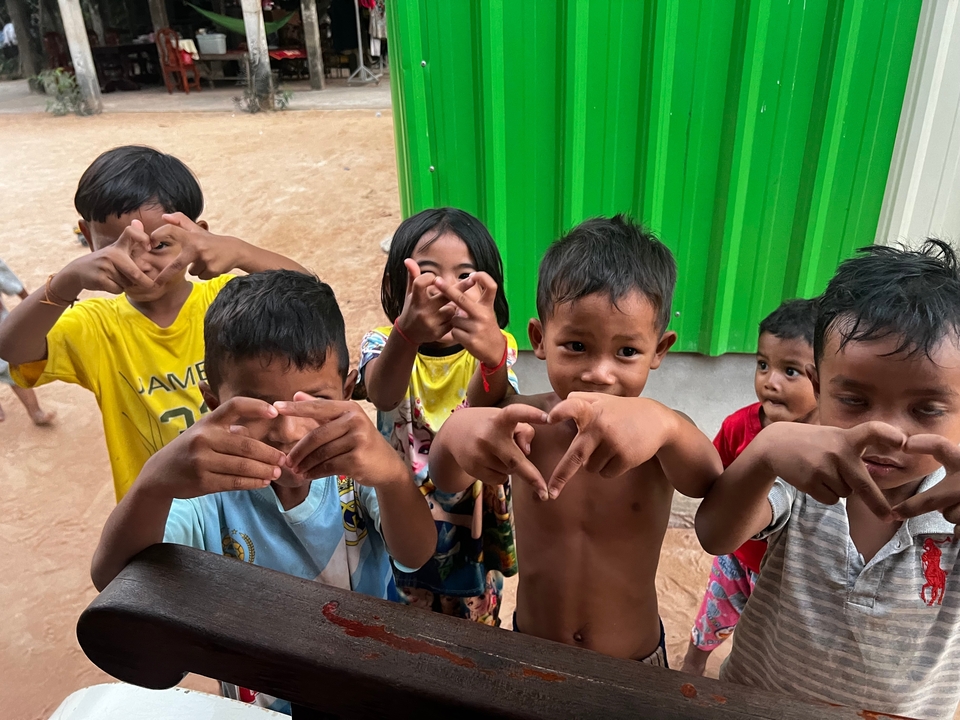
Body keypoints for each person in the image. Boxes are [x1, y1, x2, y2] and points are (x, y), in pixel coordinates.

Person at [91, 270, 437, 714]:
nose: (288, 430)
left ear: (348, 392)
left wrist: (393, 477)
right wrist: (153, 482)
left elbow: (415, 554)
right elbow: (114, 579)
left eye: (311, 403)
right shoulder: (204, 494)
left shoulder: (359, 470)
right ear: (214, 404)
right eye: (260, 409)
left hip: (368, 685)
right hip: (261, 702)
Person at [429, 215, 722, 664]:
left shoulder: (660, 432)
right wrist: (454, 431)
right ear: (540, 339)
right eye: (576, 346)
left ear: (659, 351)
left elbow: (709, 483)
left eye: (627, 351)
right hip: (532, 651)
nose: (598, 373)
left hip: (634, 664)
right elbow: (445, 474)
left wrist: (668, 426)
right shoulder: (526, 421)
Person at [695, 240, 960, 719]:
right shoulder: (802, 475)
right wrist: (766, 451)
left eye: (927, 409)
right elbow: (715, 535)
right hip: (754, 706)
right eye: (855, 401)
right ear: (819, 389)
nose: (886, 433)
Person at [0, 146, 306, 501]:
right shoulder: (96, 327)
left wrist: (239, 251)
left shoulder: (229, 302)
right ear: (87, 237)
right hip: (157, 515)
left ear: (198, 235)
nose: (139, 263)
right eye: (117, 245)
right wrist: (67, 280)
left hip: (247, 499)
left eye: (160, 244)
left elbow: (308, 296)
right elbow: (11, 348)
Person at [356, 208, 519, 625]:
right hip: (401, 507)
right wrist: (407, 334)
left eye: (464, 276)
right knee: (406, 617)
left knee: (475, 616)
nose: (446, 290)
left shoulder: (496, 347)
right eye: (428, 274)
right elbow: (382, 393)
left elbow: (489, 403)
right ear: (397, 286)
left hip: (472, 516)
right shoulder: (382, 342)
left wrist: (492, 358)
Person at [681, 298, 818, 675]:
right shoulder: (739, 426)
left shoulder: (829, 445)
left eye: (791, 371)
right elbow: (712, 481)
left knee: (775, 645)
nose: (770, 381)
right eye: (763, 365)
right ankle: (693, 663)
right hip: (738, 558)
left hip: (792, 573)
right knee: (713, 617)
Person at [0, 259, 55, 425]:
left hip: (1, 329)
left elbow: (10, 280)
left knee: (12, 370)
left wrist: (29, 302)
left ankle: (35, 412)